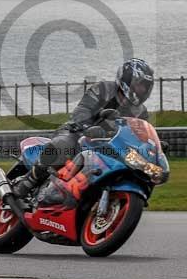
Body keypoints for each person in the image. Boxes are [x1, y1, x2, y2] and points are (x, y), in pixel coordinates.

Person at [12, 58, 154, 198]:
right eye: (139, 85)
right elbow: (83, 109)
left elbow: (140, 134)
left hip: (110, 147)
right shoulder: (104, 89)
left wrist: (152, 146)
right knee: (63, 145)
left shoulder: (141, 112)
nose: (142, 89)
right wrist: (87, 126)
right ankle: (28, 181)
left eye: (145, 87)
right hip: (78, 133)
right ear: (127, 80)